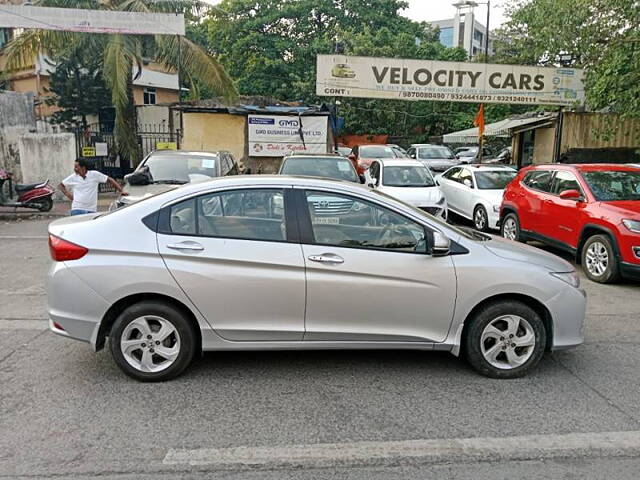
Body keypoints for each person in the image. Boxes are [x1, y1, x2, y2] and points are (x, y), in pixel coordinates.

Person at [59, 158, 128, 216]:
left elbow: (110, 180)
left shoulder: (94, 175)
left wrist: (121, 191)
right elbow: (61, 185)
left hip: (91, 210)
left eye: (76, 167)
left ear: (83, 168)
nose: (74, 169)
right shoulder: (73, 177)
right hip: (77, 209)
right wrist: (70, 196)